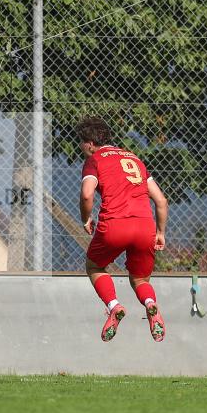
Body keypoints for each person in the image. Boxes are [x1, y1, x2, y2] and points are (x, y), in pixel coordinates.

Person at [77, 117, 169, 343]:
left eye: (81, 142)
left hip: (115, 224)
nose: (80, 147)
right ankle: (150, 304)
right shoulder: (134, 158)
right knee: (140, 279)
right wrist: (160, 232)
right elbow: (161, 201)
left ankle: (113, 305)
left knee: (94, 265)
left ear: (89, 143)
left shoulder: (94, 160)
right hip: (144, 226)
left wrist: (86, 218)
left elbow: (87, 194)